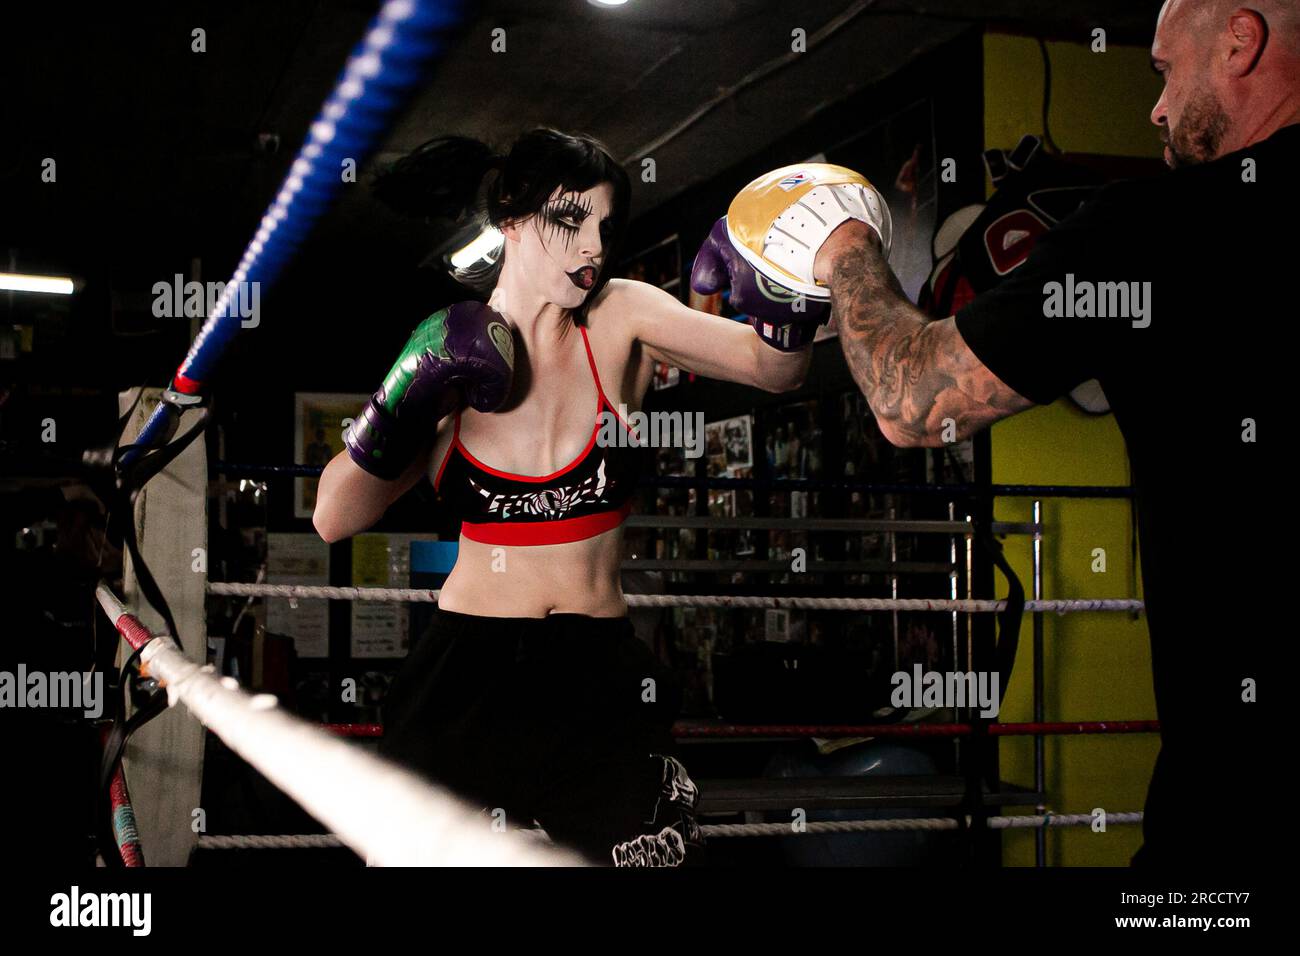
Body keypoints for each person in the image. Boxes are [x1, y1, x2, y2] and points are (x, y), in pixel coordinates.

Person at [707, 0, 1294, 868]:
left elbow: (913, 400)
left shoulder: (1160, 230)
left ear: (1240, 41)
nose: (1156, 111)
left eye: (1166, 72)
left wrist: (843, 249)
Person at [312, 128, 816, 866]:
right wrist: (406, 394)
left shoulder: (623, 317)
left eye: (605, 228)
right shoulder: (450, 348)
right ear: (511, 218)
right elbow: (333, 518)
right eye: (568, 219)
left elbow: (775, 371)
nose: (591, 247)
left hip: (595, 671)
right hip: (466, 671)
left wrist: (788, 288)